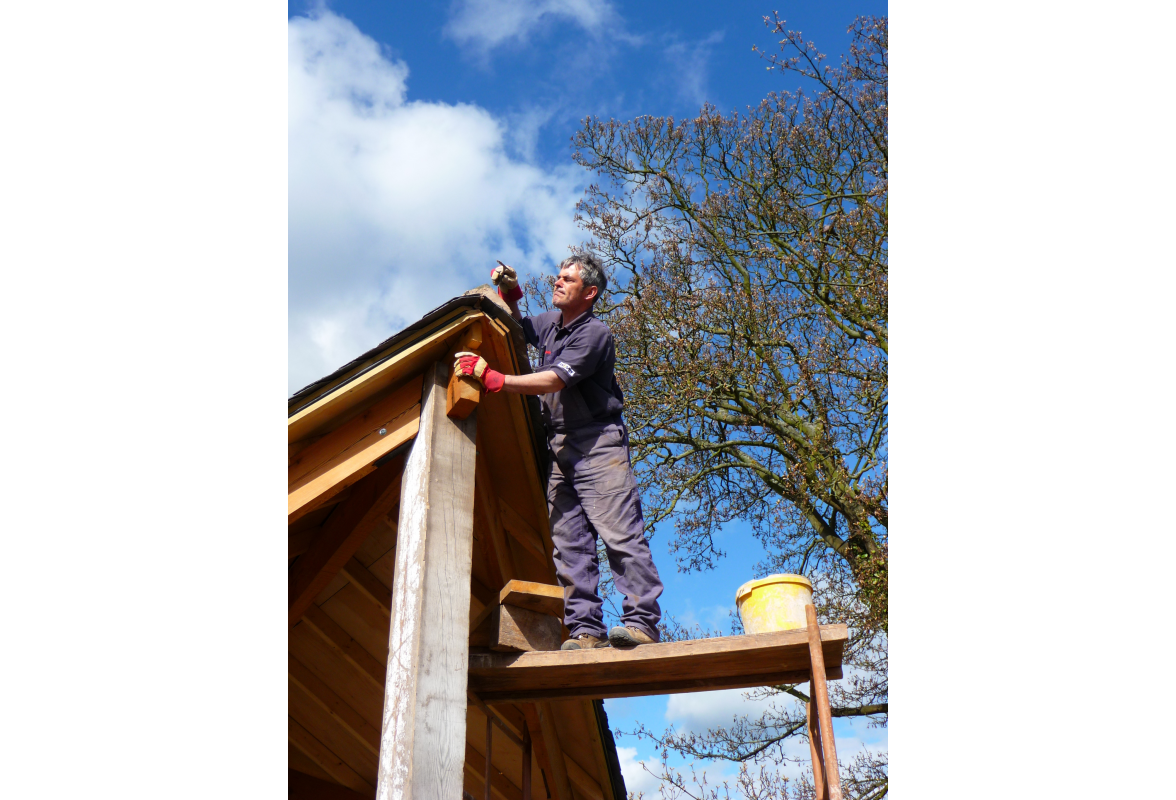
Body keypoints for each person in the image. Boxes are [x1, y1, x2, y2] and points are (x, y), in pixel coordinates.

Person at [453, 254, 664, 649]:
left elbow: (553, 380)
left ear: (590, 293)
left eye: (567, 279)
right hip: (560, 446)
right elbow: (519, 328)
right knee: (570, 545)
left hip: (598, 445)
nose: (557, 282)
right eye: (558, 276)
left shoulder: (594, 334)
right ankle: (585, 631)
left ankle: (642, 624)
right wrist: (510, 290)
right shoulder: (551, 324)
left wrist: (493, 379)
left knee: (620, 536)